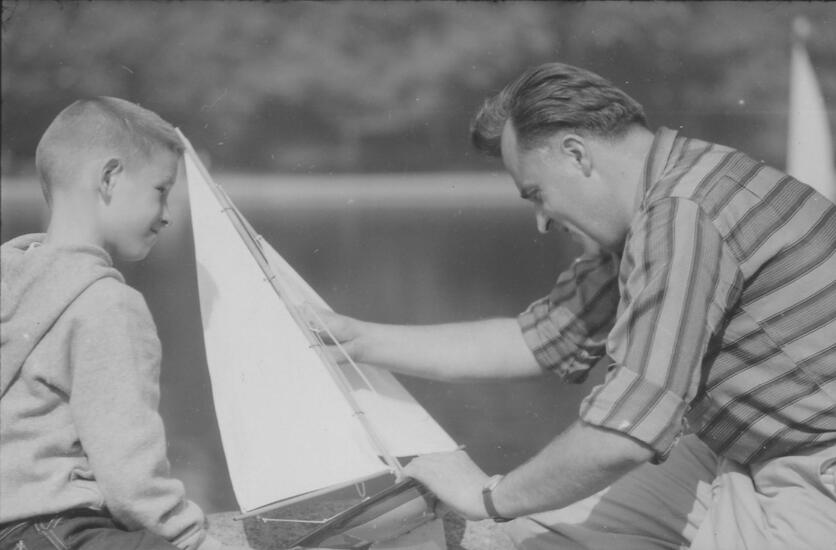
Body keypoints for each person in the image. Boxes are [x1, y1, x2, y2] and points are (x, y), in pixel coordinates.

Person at [311, 63, 836, 549]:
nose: (541, 221)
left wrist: (486, 497)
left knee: (510, 515)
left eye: (536, 194)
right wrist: (357, 340)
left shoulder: (683, 216)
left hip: (816, 467)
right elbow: (540, 337)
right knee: (532, 533)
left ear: (576, 154)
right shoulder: (670, 189)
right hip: (746, 451)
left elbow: (626, 433)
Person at [0, 98, 235, 550]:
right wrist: (192, 538)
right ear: (109, 178)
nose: (167, 214)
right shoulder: (107, 304)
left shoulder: (12, 279)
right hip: (57, 530)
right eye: (161, 190)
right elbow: (131, 475)